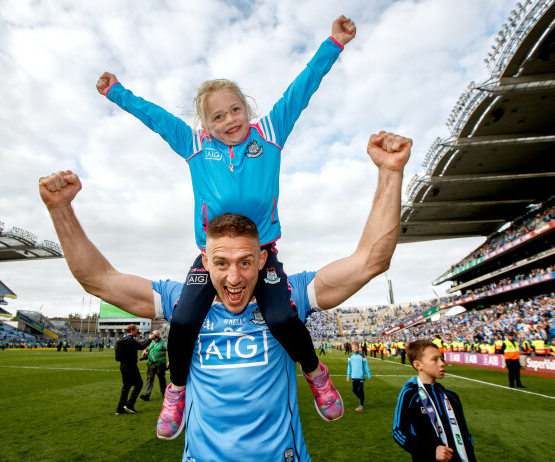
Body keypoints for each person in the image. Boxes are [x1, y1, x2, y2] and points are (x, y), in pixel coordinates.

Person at [39, 130, 410, 460]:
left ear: (264, 258)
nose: (234, 277)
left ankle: (318, 377)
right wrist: (61, 210)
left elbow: (370, 261)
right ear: (204, 260)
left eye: (246, 262)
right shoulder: (179, 299)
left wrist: (390, 173)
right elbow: (98, 279)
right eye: (221, 263)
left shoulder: (290, 293)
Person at [95, 16, 357, 437]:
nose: (230, 119)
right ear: (205, 125)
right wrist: (116, 92)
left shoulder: (269, 133)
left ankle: (315, 374)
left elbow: (304, 86)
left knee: (283, 319)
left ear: (247, 109)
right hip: (212, 256)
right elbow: (156, 117)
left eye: (236, 109)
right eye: (218, 116)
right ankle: (176, 391)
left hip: (262, 253)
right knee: (182, 323)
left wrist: (335, 43)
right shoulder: (195, 145)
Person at [393, 339, 476, 462]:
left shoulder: (451, 396)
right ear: (418, 365)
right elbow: (398, 432)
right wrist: (430, 451)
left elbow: (466, 435)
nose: (441, 363)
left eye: (442, 358)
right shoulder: (410, 394)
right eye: (434, 360)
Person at [114, 324, 152, 414]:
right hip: (131, 366)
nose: (137, 332)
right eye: (136, 330)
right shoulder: (130, 340)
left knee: (126, 387)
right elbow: (142, 346)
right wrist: (150, 338)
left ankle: (120, 408)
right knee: (138, 384)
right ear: (131, 330)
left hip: (123, 366)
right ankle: (129, 404)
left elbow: (117, 358)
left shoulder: (119, 340)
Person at [139, 330, 168, 402]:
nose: (157, 336)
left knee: (161, 379)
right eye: (155, 335)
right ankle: (146, 394)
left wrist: (169, 361)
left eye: (158, 335)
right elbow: (146, 348)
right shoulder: (151, 342)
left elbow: (170, 350)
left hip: (160, 364)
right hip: (151, 363)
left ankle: (164, 393)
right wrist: (145, 351)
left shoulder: (164, 342)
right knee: (149, 379)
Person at [346, 342, 372, 411]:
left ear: (358, 347)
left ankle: (361, 404)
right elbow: (349, 367)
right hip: (354, 377)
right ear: (352, 348)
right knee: (354, 390)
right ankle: (361, 399)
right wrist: (348, 376)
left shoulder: (362, 357)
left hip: (361, 377)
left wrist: (369, 376)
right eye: (353, 347)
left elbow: (366, 367)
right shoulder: (350, 357)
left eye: (356, 347)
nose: (355, 348)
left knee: (361, 390)